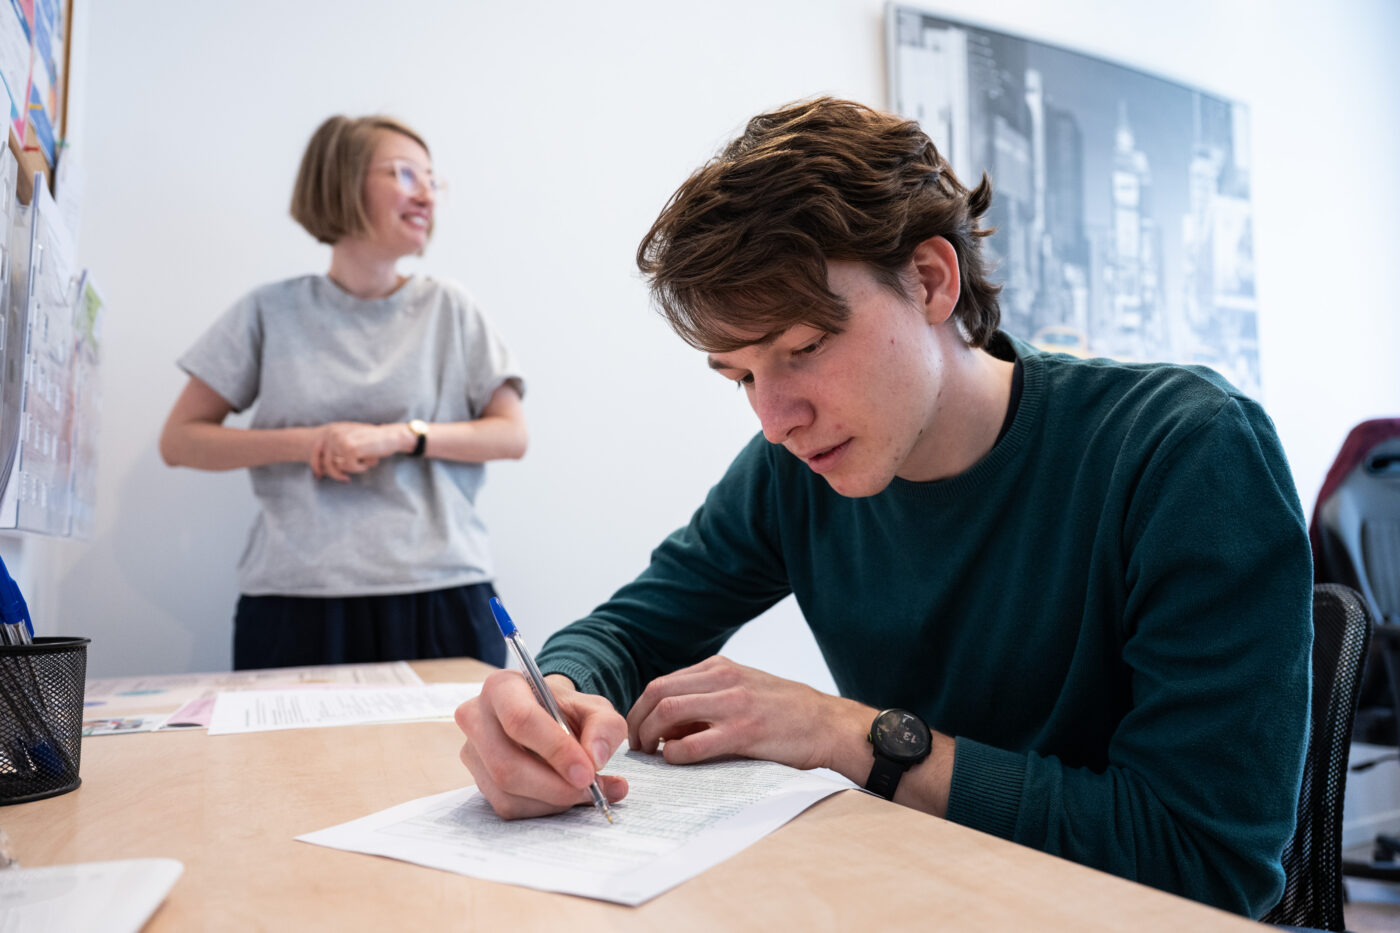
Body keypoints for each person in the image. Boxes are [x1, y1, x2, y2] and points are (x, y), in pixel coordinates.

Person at [453, 97, 1311, 918]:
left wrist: (847, 732)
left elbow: (1205, 864)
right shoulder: (797, 470)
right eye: (743, 375)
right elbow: (632, 631)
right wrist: (554, 698)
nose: (775, 418)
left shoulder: (1183, 451)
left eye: (804, 347)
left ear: (932, 280)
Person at [160, 115, 525, 671]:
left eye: (431, 179)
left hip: (443, 592)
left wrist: (399, 437)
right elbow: (180, 440)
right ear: (343, 182)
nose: (426, 192)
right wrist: (310, 442)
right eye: (404, 174)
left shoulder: (451, 308)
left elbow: (511, 434)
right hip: (294, 601)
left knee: (451, 762)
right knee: (284, 762)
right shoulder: (268, 311)